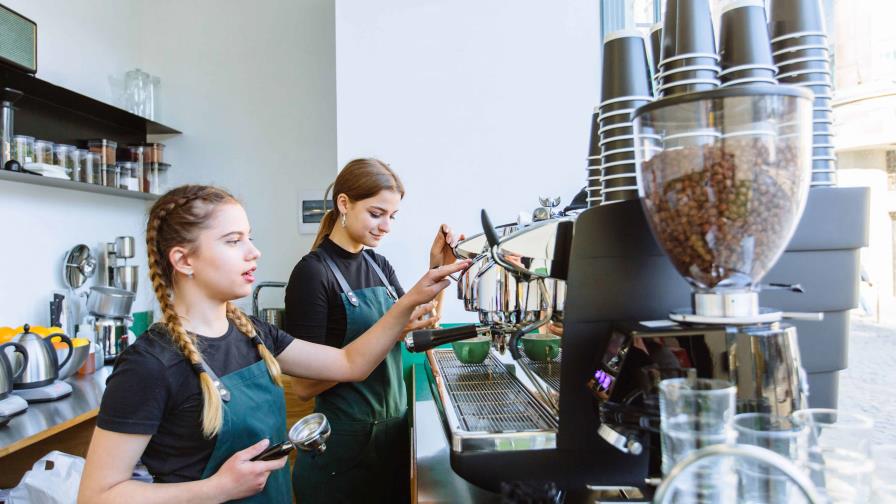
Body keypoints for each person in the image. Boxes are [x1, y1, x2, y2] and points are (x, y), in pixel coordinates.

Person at [77, 185, 468, 503]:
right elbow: (96, 495)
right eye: (233, 241)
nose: (254, 252)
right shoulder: (149, 364)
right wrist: (215, 490)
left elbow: (351, 363)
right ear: (184, 260)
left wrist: (421, 289)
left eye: (250, 237)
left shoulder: (251, 332)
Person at [284, 158, 462, 503]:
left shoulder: (378, 266)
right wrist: (391, 334)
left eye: (392, 217)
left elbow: (419, 333)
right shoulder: (312, 274)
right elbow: (304, 386)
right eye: (377, 213)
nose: (386, 227)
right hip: (343, 453)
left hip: (393, 440)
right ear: (344, 204)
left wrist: (438, 268)